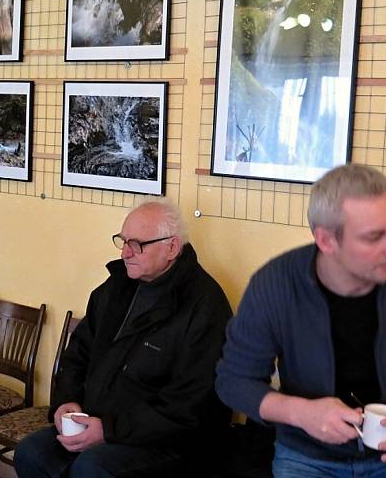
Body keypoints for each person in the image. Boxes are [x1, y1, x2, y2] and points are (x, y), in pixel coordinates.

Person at [216, 163, 386, 477]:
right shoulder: (275, 283)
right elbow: (233, 380)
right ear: (327, 241)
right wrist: (301, 413)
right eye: (374, 237)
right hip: (306, 455)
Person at [14, 199, 232, 477]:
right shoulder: (117, 287)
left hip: (167, 441)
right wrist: (66, 401)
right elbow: (78, 352)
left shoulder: (205, 306)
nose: (125, 253)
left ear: (172, 247)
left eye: (138, 244)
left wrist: (109, 430)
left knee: (92, 469)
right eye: (122, 241)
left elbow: (190, 406)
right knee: (33, 453)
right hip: (99, 420)